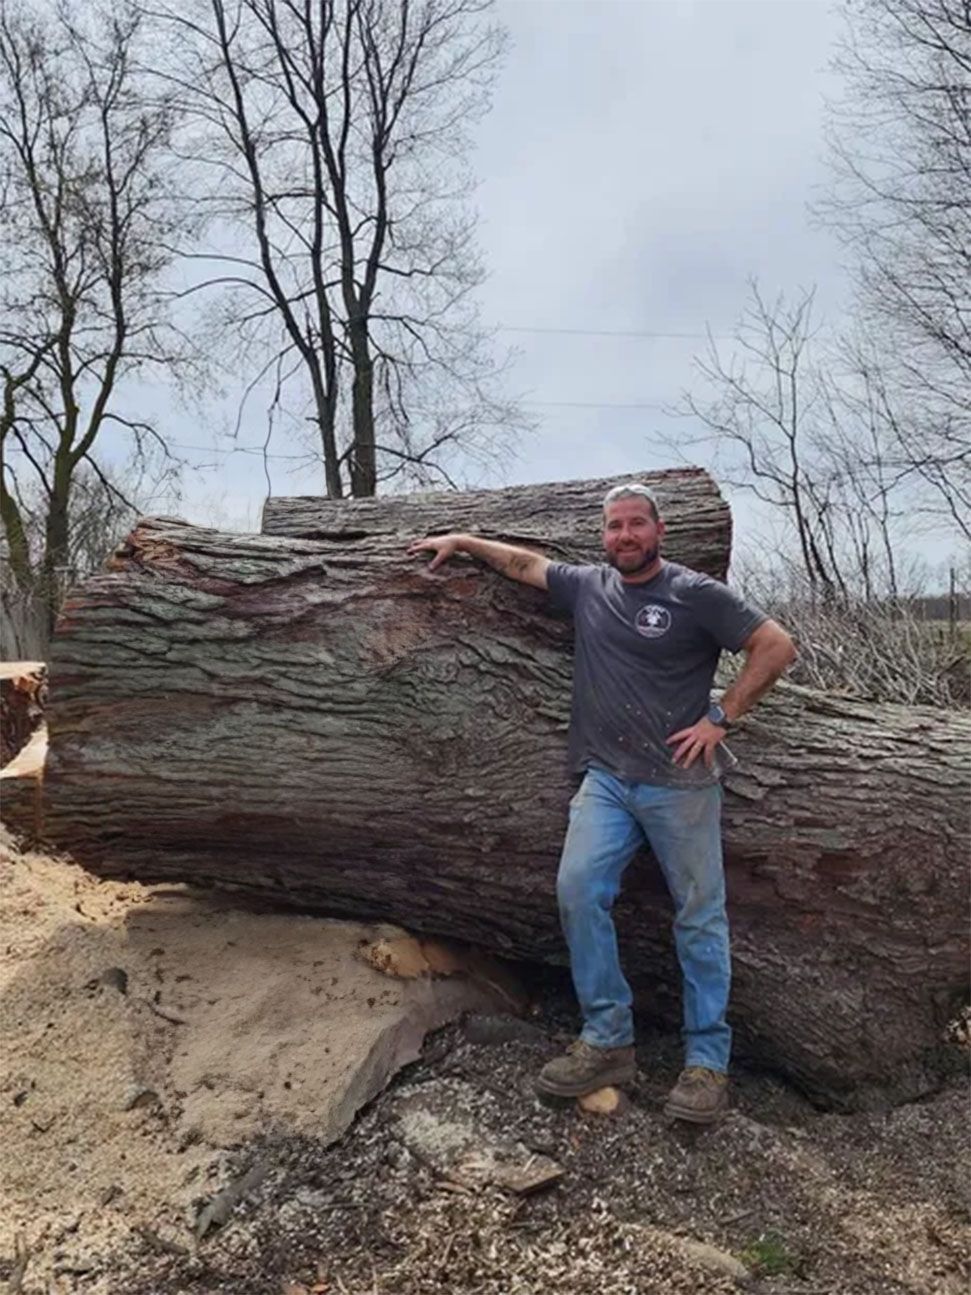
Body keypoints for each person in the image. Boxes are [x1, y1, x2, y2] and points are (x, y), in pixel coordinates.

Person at [409, 483, 796, 1123]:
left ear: (659, 530)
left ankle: (707, 1063)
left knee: (699, 918)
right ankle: (608, 1037)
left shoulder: (693, 592)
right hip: (607, 782)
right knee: (578, 890)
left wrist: (720, 718)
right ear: (604, 535)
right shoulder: (590, 586)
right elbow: (525, 565)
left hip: (680, 783)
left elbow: (776, 645)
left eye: (636, 524)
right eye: (614, 526)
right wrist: (464, 541)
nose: (625, 536)